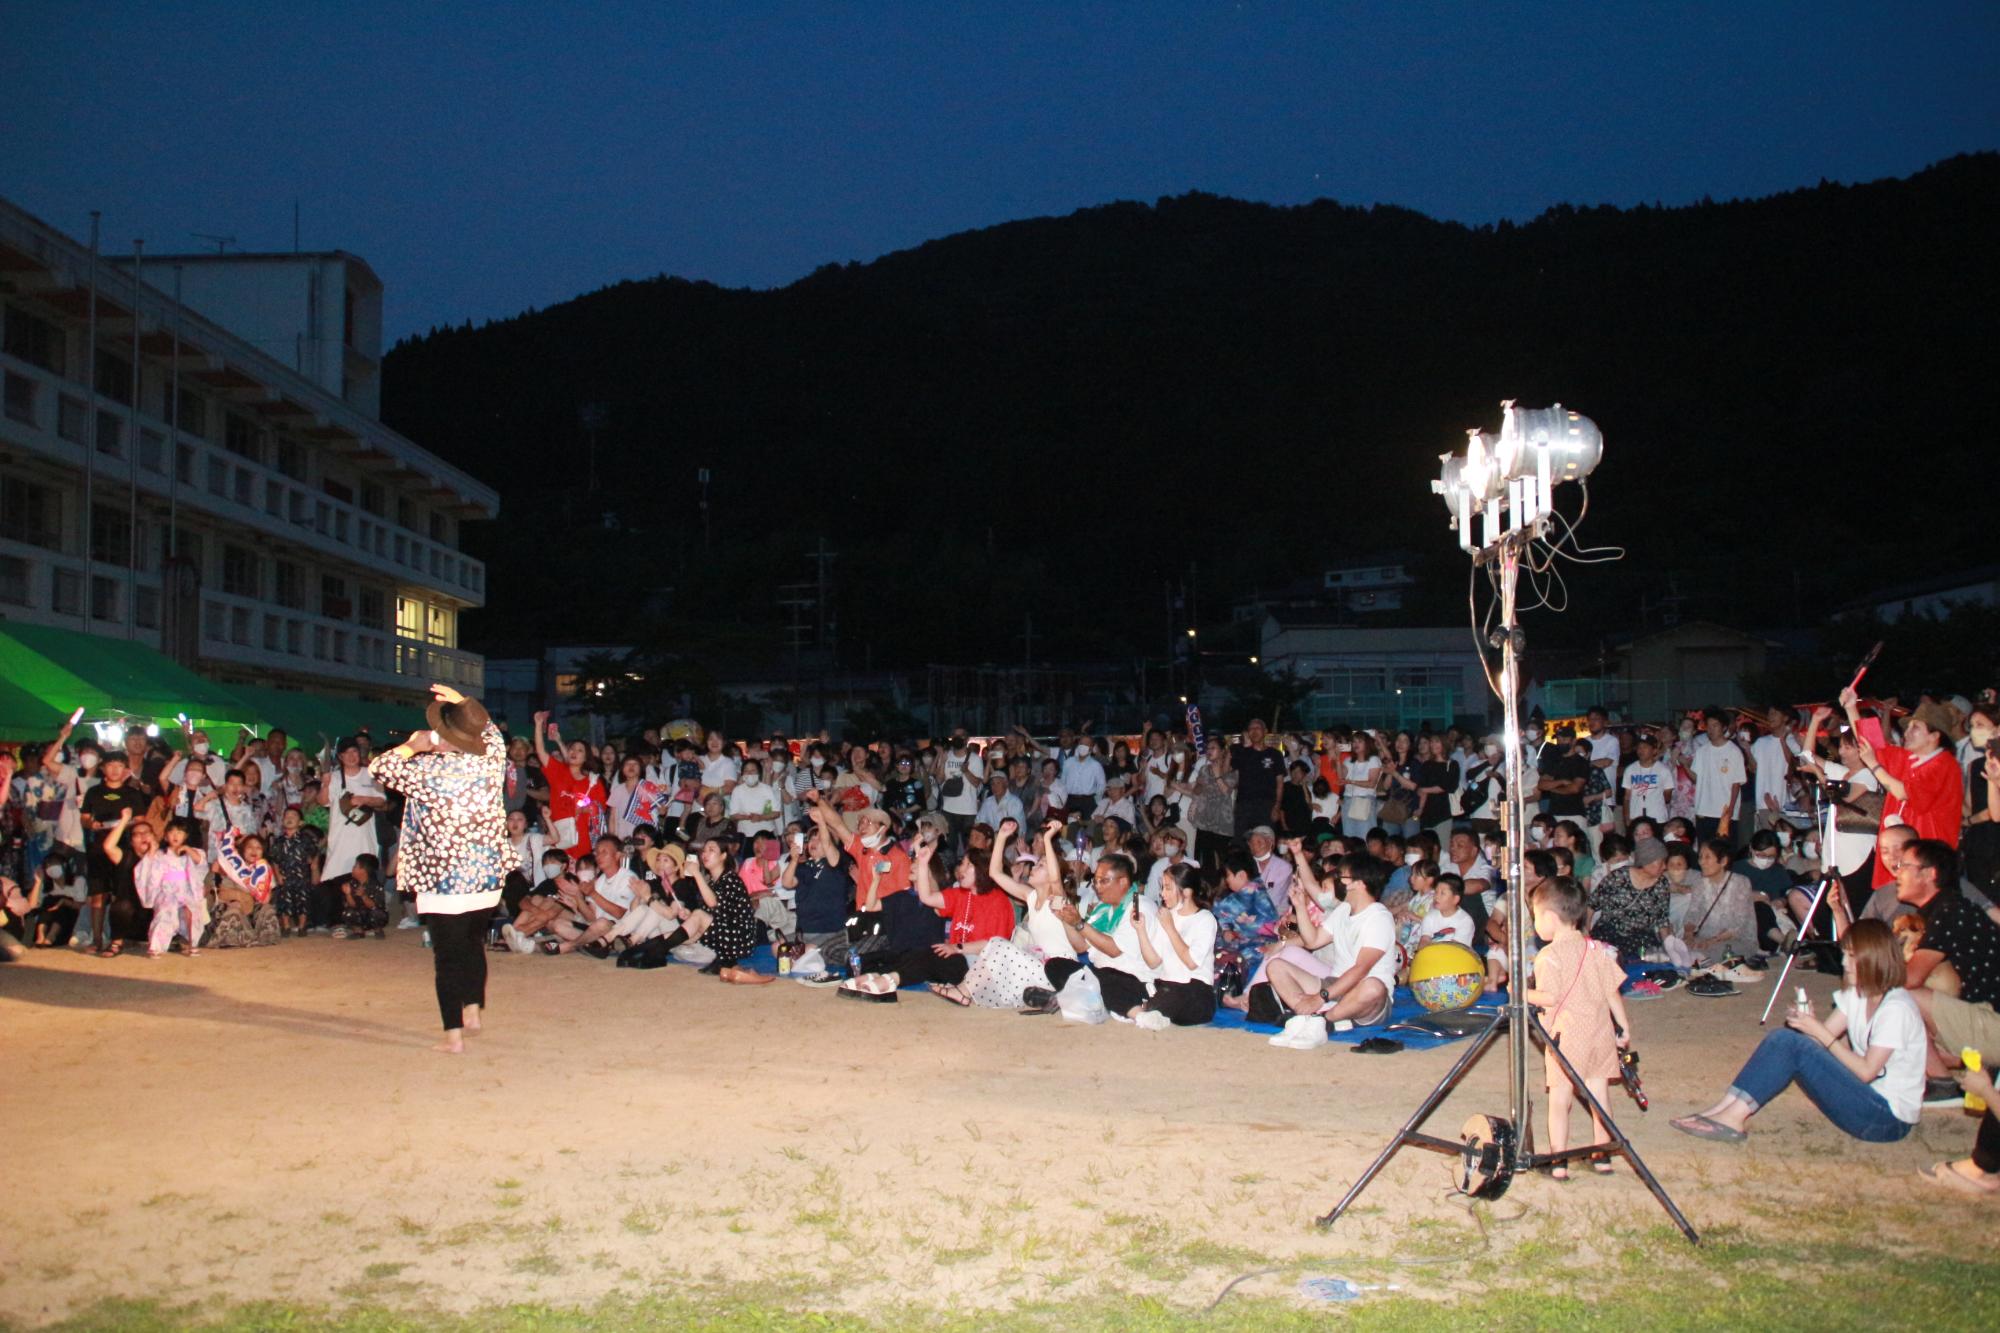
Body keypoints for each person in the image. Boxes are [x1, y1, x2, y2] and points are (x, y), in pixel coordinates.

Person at [1671, 920, 1922, 1144]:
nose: (1845, 964)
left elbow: (1867, 1072)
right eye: (1844, 955)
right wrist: (1809, 1024)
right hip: (1863, 1098)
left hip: (1886, 1119)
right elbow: (1816, 1044)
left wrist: (1819, 1032)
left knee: (1790, 1042)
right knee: (1782, 1039)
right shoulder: (1859, 993)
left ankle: (1733, 1117)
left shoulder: (1896, 1008)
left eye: (1852, 956)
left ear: (1874, 958)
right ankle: (1722, 1110)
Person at [370, 686, 511, 1054]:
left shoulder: (429, 770)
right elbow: (491, 731)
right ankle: (473, 1009)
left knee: (447, 957)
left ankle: (453, 1035)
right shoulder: (491, 761)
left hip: (444, 881)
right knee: (472, 944)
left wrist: (413, 746)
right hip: (486, 878)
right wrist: (463, 703)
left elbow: (380, 767)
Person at [1524, 876, 1632, 1178]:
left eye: (1535, 916)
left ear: (1549, 917)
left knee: (1560, 1099)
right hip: (1600, 1033)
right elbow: (1612, 990)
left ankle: (1559, 1160)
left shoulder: (1548, 956)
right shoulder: (1596, 949)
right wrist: (1623, 1026)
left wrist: (1519, 992)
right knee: (1599, 1096)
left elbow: (1550, 996)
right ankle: (1602, 1155)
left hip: (1566, 1037)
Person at [1262, 852, 1397, 1027]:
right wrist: (1300, 906)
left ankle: (1324, 1020)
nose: (1337, 881)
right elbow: (1313, 941)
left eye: (1342, 877)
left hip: (1364, 992)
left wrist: (1320, 997)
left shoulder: (1379, 918)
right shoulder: (1343, 910)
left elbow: (1361, 970)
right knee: (1276, 967)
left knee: (1373, 987)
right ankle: (1314, 1016)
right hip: (1335, 985)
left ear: (1360, 883)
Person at [1128, 861, 1218, 1028]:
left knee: (1175, 995)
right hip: (1166, 986)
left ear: (1187, 892)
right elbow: (1153, 961)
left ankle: (1145, 1010)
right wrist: (1141, 931)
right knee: (1125, 982)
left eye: (1168, 888)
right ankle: (1148, 1010)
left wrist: (1170, 928)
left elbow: (1191, 962)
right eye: (1162, 888)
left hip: (1194, 991)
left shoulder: (1205, 919)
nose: (1162, 893)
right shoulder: (1167, 915)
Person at [684, 835, 771, 984]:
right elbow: (710, 911)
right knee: (684, 932)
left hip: (738, 936)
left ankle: (732, 965)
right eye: (703, 851)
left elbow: (713, 906)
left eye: (711, 850)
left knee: (694, 922)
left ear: (723, 856)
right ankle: (728, 965)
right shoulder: (712, 881)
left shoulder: (731, 878)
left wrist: (697, 874)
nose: (704, 854)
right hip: (722, 933)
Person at [319, 737, 385, 932]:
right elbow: (323, 801)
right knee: (337, 876)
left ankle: (367, 921)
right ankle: (337, 922)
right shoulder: (335, 777)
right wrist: (324, 784)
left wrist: (364, 799)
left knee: (366, 876)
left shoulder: (371, 775)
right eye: (346, 753)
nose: (351, 756)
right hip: (341, 837)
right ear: (339, 756)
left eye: (354, 751)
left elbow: (382, 800)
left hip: (364, 836)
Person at [532, 712, 607, 864]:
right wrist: (539, 725)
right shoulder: (558, 771)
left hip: (582, 836)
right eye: (572, 749)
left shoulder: (593, 782)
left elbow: (601, 808)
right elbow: (540, 751)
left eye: (580, 750)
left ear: (586, 757)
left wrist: (586, 808)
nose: (574, 752)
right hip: (559, 833)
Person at [128, 816, 206, 958]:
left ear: (186, 836)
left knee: (192, 911)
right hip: (167, 891)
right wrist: (152, 850)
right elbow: (146, 870)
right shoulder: (160, 855)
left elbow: (200, 862)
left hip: (186, 890)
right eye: (172, 832)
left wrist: (187, 849)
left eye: (180, 832)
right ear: (165, 836)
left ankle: (192, 943)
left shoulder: (191, 852)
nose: (176, 835)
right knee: (165, 911)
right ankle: (156, 946)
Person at [1588, 837, 1672, 961]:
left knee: (1655, 967)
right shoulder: (1618, 877)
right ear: (1647, 862)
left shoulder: (1662, 884)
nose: (1665, 867)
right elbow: (1590, 906)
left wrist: (1669, 947)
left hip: (1641, 939)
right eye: (1661, 862)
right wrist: (1586, 934)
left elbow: (1662, 920)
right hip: (1609, 935)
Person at [1690, 708, 1746, 845]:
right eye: (1708, 726)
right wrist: (1686, 765)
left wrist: (1731, 809)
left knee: (1724, 851)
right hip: (1704, 810)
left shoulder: (1734, 751)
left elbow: (1736, 782)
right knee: (1705, 848)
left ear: (1724, 727)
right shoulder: (1702, 751)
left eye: (1715, 725)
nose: (1711, 729)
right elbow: (1696, 778)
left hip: (1724, 812)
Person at [1416, 873, 1476, 949]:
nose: (1436, 896)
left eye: (1442, 893)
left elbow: (1456, 950)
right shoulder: (1430, 916)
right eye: (1436, 892)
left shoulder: (1465, 921)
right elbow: (1425, 940)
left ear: (1455, 899)